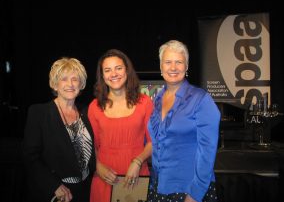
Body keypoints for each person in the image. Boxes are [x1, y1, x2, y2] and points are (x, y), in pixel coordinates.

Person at [147, 40, 221, 202]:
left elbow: (207, 151)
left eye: (179, 62)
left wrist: (195, 193)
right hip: (159, 187)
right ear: (161, 67)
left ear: (186, 67)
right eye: (168, 62)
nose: (173, 68)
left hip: (189, 190)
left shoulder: (201, 100)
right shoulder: (157, 99)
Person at [23, 57, 96, 202]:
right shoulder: (39, 113)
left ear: (81, 84)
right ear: (55, 85)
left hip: (87, 190)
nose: (70, 84)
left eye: (75, 79)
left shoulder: (88, 112)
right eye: (64, 79)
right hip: (57, 193)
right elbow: (30, 157)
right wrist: (54, 186)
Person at [88, 49, 153, 202]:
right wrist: (98, 167)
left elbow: (153, 142)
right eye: (107, 70)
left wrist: (138, 162)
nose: (114, 74)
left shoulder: (145, 102)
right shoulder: (94, 107)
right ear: (102, 76)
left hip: (136, 177)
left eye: (118, 68)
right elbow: (92, 147)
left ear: (127, 70)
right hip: (105, 178)